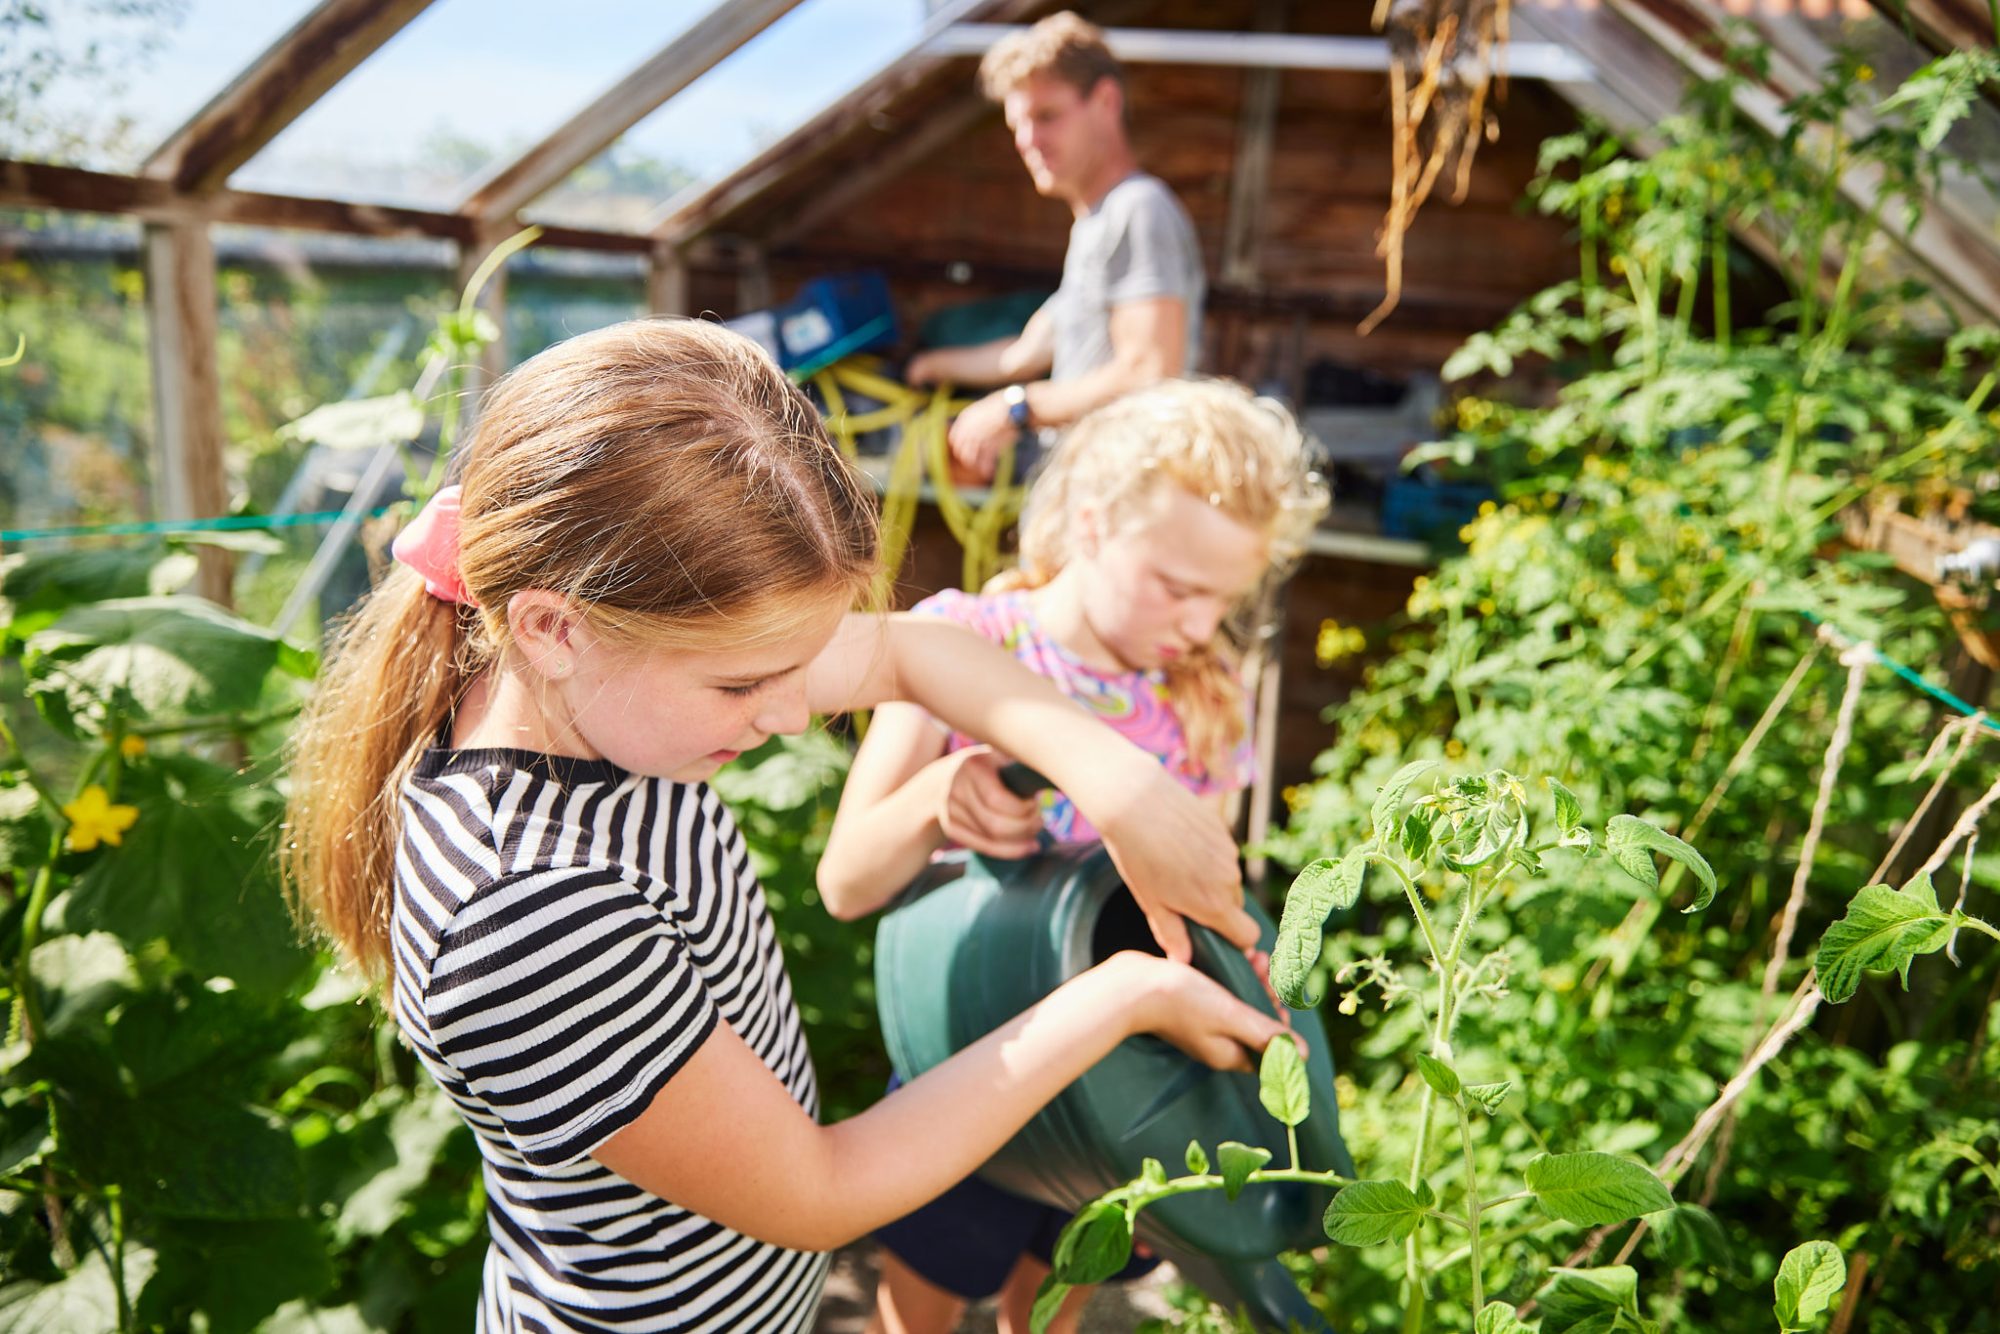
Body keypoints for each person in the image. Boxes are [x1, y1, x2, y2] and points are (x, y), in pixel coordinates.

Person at [281, 320, 1286, 1334]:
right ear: (552, 626)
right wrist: (1122, 993)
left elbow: (919, 651)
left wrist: (1120, 783)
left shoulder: (613, 691)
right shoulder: (525, 912)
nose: (793, 711)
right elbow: (820, 1191)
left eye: (796, 664)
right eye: (746, 683)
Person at [816, 378, 1329, 1334]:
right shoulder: (960, 646)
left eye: (1223, 597)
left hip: (1113, 1086)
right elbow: (846, 884)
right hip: (970, 1056)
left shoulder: (1201, 701)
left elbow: (1195, 916)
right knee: (923, 1290)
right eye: (1176, 586)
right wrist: (934, 800)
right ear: (1091, 524)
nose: (1196, 623)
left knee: (1053, 1297)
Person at [905, 11, 1206, 483]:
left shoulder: (1139, 209)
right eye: (1018, 124)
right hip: (1081, 490)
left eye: (1046, 116)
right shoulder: (1093, 223)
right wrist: (926, 366)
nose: (1029, 141)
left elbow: (1150, 371)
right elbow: (1025, 354)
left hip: (1124, 495)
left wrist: (1015, 409)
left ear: (1106, 101)